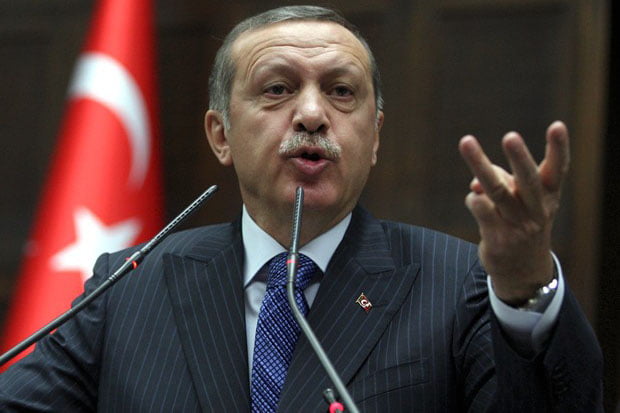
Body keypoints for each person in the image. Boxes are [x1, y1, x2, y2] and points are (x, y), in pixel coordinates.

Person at [0, 5, 602, 412]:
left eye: (342, 91)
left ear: (375, 135)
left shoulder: (460, 285)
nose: (313, 115)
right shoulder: (128, 287)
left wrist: (525, 285)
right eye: (278, 88)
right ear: (221, 135)